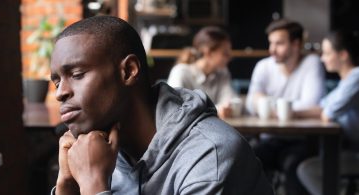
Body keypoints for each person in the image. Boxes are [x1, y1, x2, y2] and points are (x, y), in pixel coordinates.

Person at [50, 16, 274, 195]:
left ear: (128, 71)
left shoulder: (210, 156)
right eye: (57, 81)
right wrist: (67, 189)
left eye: (77, 74)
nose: (60, 93)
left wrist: (94, 187)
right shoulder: (97, 149)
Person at [245, 18, 326, 195]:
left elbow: (312, 103)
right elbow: (251, 103)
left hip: (302, 140)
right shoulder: (263, 66)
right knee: (246, 159)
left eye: (279, 43)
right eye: (271, 43)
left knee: (293, 165)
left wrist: (268, 104)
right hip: (269, 139)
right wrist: (290, 109)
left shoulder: (312, 63)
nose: (272, 49)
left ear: (296, 44)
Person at [297, 30, 359, 195]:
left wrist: (297, 113)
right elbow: (321, 107)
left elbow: (327, 113)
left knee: (306, 169)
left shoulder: (356, 77)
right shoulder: (346, 81)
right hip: (350, 149)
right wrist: (291, 113)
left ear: (343, 55)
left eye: (326, 53)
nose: (322, 58)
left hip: (355, 153)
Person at [167, 26, 238, 119]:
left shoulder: (223, 73)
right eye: (225, 53)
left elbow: (230, 100)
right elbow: (175, 111)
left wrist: (229, 107)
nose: (230, 57)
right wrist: (215, 110)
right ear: (208, 52)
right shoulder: (180, 72)